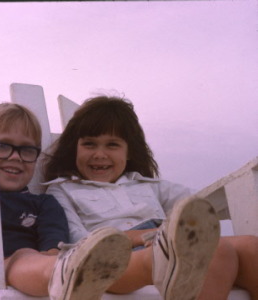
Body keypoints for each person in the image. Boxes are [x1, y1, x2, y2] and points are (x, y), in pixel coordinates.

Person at [42, 96, 258, 300]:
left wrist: (178, 233)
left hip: (167, 244)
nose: (100, 154)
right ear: (74, 149)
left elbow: (193, 207)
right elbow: (77, 241)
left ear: (128, 152)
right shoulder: (63, 190)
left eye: (112, 145)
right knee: (218, 253)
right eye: (89, 144)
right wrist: (144, 237)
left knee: (250, 246)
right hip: (112, 257)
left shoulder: (148, 186)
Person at [0, 102, 132, 300]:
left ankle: (72, 278)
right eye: (2, 146)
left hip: (40, 283)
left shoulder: (44, 204)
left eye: (27, 149)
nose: (16, 157)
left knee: (39, 260)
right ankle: (69, 278)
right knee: (23, 257)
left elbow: (53, 251)